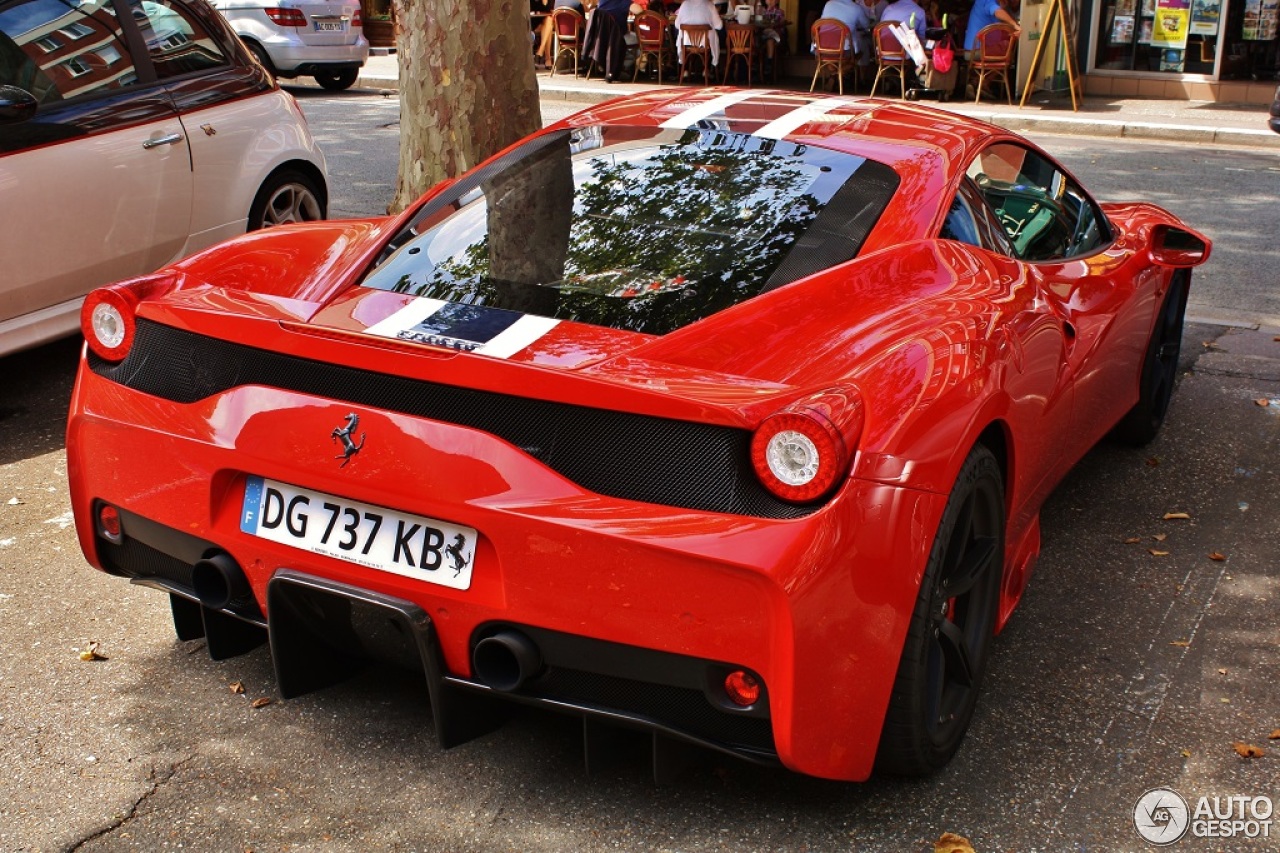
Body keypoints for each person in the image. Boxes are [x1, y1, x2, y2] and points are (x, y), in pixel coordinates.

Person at [674, 0, 724, 70]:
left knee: (677, 34)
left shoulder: (685, 4)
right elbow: (719, 26)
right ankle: (707, 69)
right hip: (705, 44)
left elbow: (677, 25)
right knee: (717, 36)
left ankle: (685, 69)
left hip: (686, 43)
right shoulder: (709, 5)